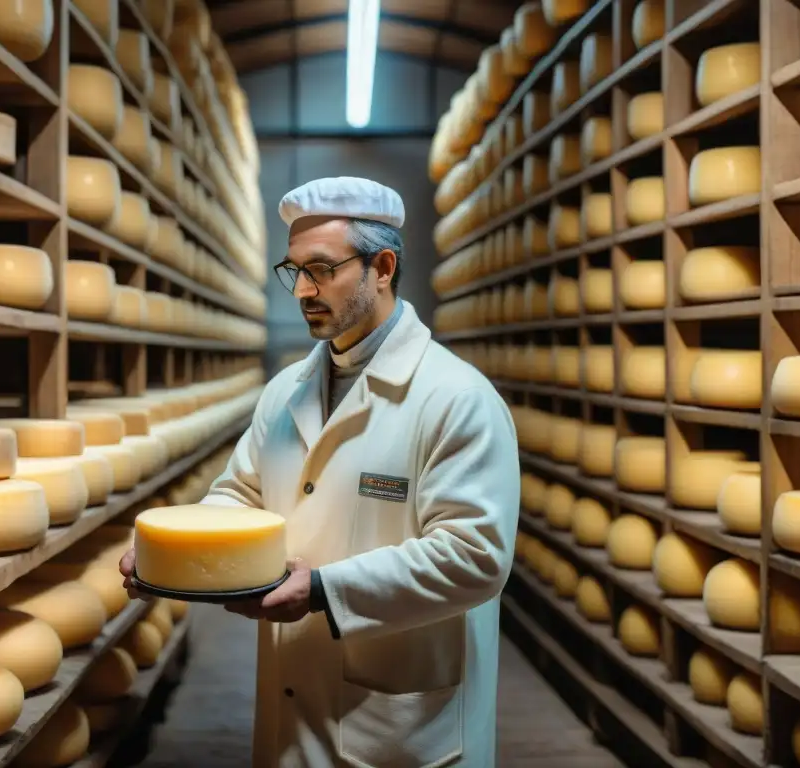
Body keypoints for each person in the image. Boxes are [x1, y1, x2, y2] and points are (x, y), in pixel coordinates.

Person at [120, 176, 520, 767]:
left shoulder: (456, 397)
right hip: (293, 702)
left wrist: (325, 592)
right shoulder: (285, 391)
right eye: (293, 271)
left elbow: (475, 555)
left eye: (321, 269)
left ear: (382, 267)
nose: (303, 289)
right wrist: (171, 549)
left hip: (399, 728)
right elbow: (239, 492)